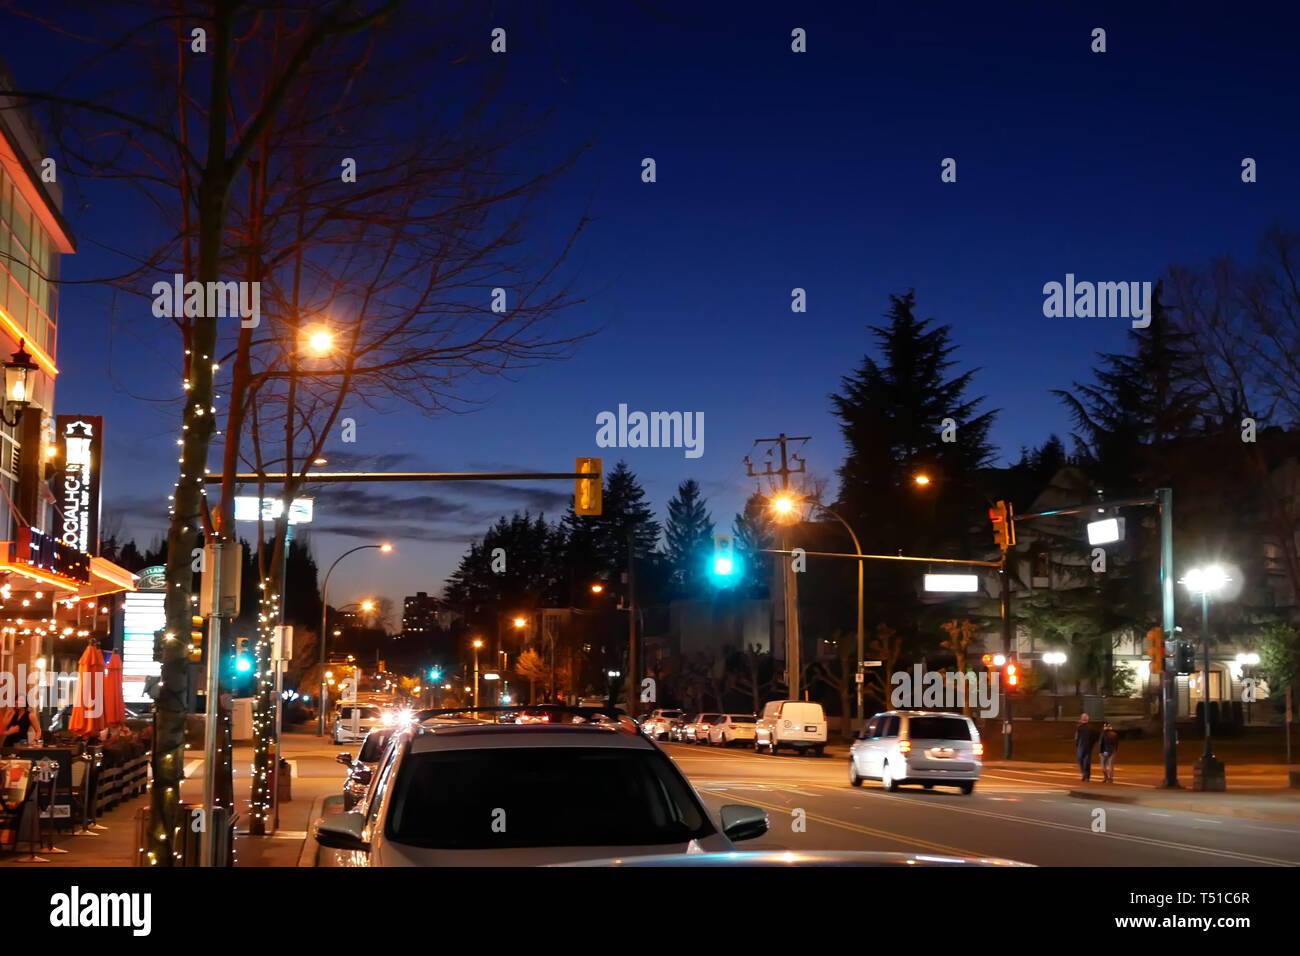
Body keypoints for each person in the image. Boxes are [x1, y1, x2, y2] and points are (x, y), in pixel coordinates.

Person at [1074, 712, 1098, 782]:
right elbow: (1096, 738)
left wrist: (1077, 745)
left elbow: (1076, 738)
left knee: (1080, 761)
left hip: (1081, 747)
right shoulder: (1092, 728)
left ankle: (1084, 774)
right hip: (1088, 747)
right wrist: (1092, 745)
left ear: (1082, 719)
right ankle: (1087, 776)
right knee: (1087, 761)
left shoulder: (1079, 728)